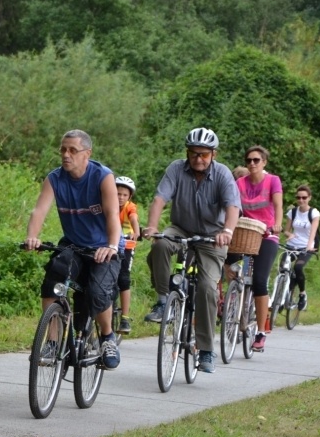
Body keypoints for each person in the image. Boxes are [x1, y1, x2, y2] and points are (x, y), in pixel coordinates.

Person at [142, 127, 240, 374]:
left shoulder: (223, 174)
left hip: (213, 237)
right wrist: (153, 226)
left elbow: (232, 207)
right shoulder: (176, 168)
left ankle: (206, 350)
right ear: (187, 153)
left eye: (204, 155)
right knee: (161, 244)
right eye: (194, 154)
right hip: (181, 228)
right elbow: (159, 199)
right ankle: (163, 300)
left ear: (213, 155)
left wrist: (227, 231)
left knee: (207, 288)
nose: (198, 159)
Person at [24, 129, 123, 370]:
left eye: (72, 150)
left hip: (103, 247)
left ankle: (107, 338)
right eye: (63, 150)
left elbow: (112, 214)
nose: (66, 155)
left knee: (98, 292)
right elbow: (39, 211)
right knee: (52, 282)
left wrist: (110, 245)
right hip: (73, 244)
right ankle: (52, 343)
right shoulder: (55, 179)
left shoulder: (102, 176)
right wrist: (32, 237)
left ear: (87, 154)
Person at [228, 146, 282, 352]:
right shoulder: (239, 182)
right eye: (249, 160)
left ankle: (260, 331)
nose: (252, 164)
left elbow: (277, 206)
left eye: (256, 160)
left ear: (264, 162)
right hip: (244, 233)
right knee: (226, 260)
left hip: (267, 234)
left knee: (259, 281)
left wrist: (276, 223)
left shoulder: (272, 181)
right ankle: (231, 299)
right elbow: (231, 204)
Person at [284, 184, 320, 312]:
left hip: (306, 247)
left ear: (309, 198)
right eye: (298, 197)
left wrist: (310, 245)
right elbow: (286, 231)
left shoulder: (314, 213)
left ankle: (302, 294)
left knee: (298, 267)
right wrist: (290, 234)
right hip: (292, 245)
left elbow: (314, 232)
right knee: (283, 267)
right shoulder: (292, 212)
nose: (301, 200)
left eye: (304, 198)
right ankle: (283, 295)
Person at [115, 176, 140, 335]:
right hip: (108, 243)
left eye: (124, 195)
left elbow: (133, 218)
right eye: (118, 194)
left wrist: (136, 232)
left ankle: (124, 317)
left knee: (123, 279)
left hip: (126, 245)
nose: (121, 197)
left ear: (129, 196)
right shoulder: (107, 203)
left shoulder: (130, 207)